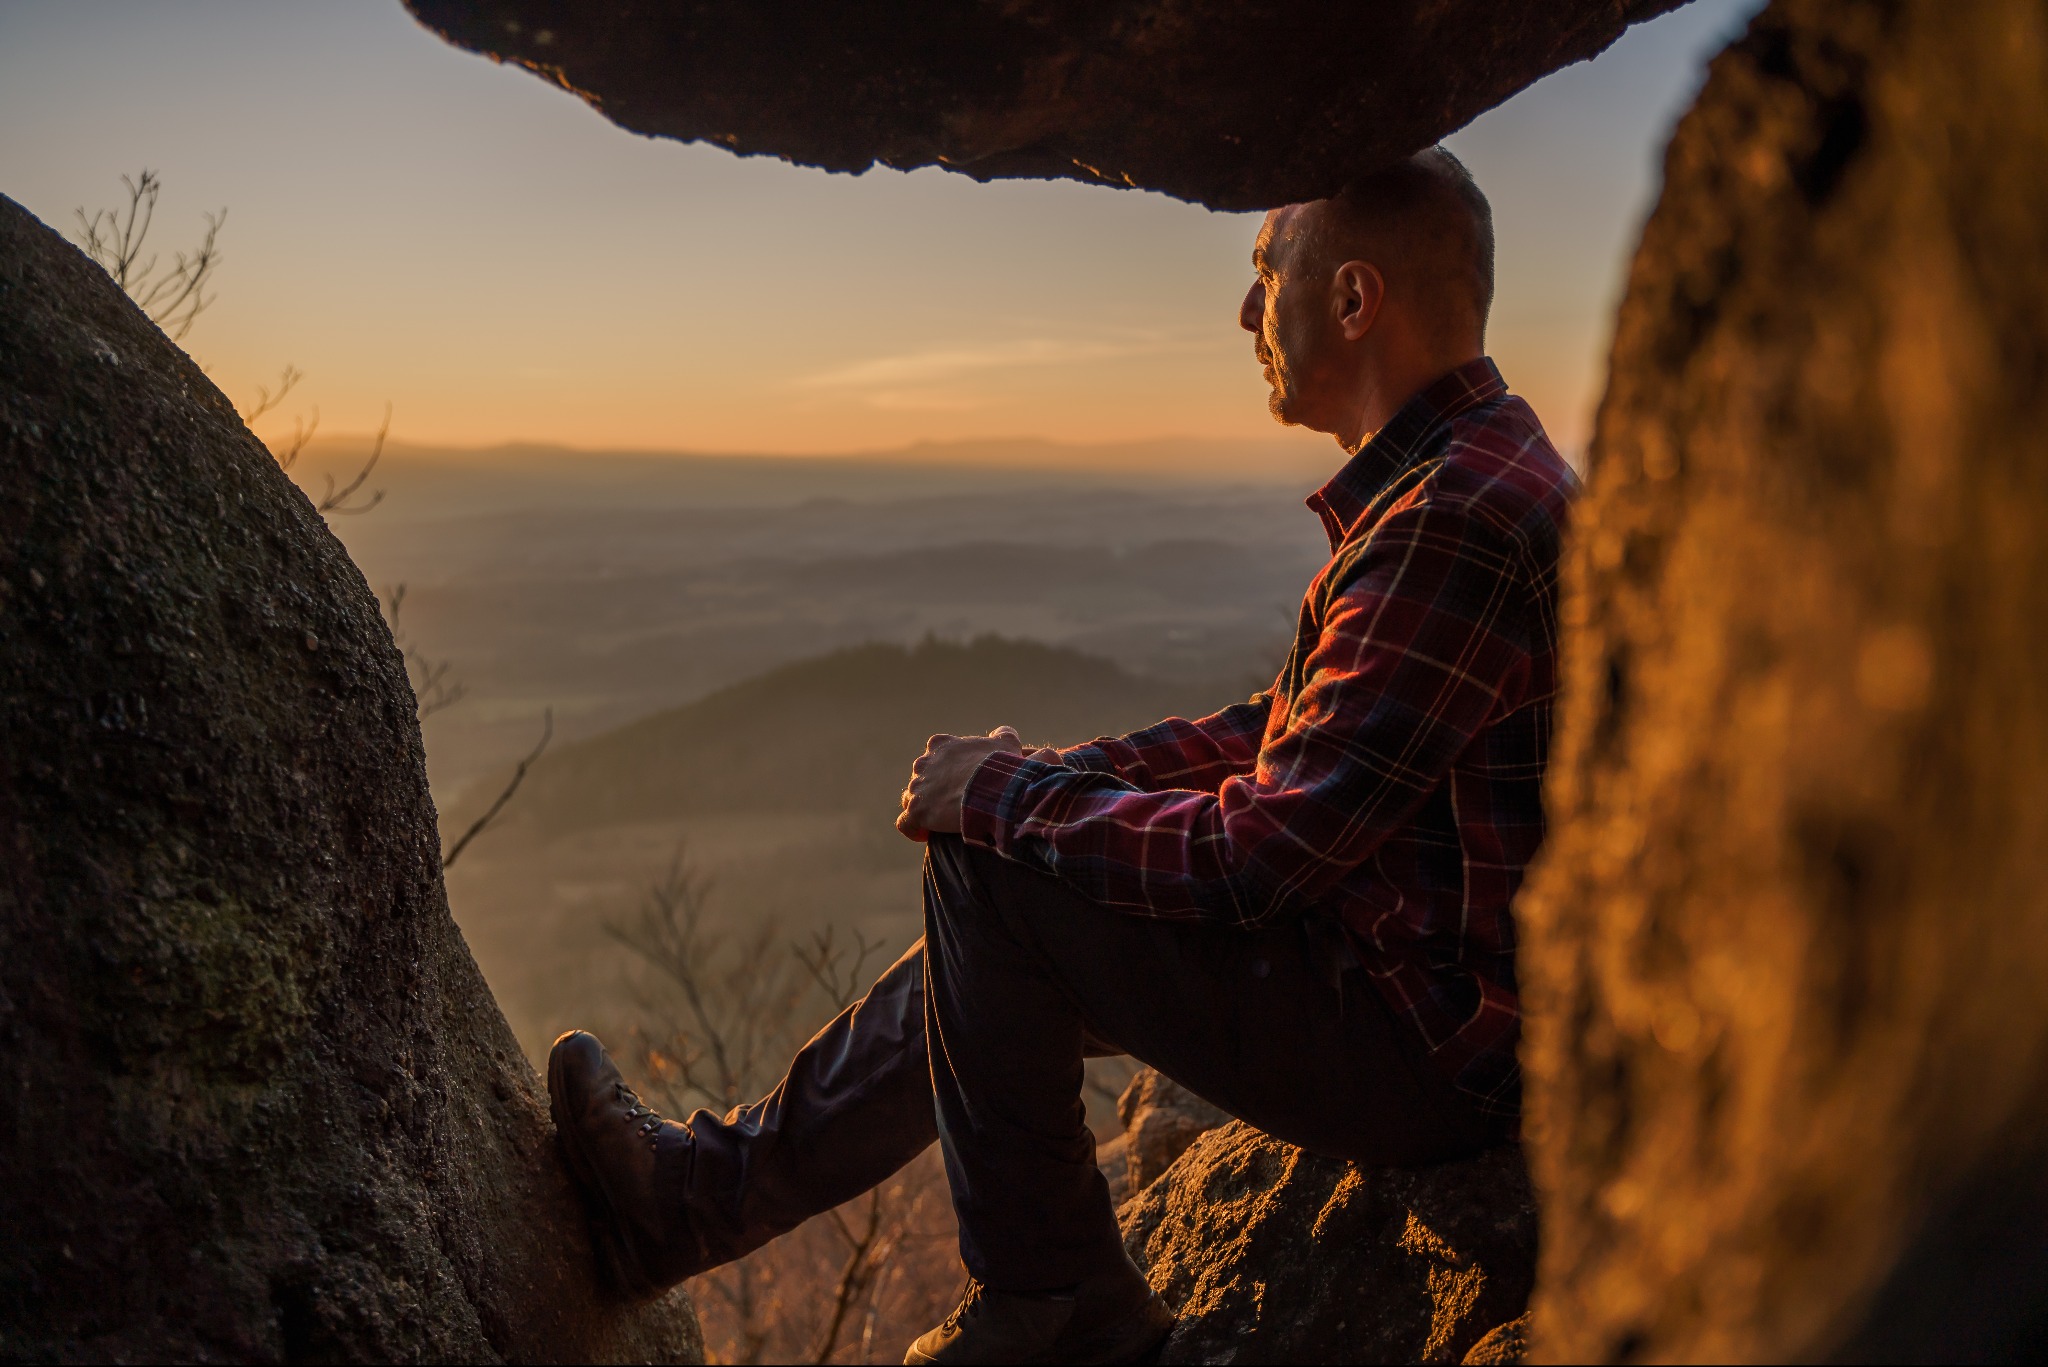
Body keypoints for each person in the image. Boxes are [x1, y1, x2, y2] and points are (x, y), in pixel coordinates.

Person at [547, 146, 1578, 1365]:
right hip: (1426, 991)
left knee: (996, 869)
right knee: (1002, 881)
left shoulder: (1447, 518)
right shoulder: (1463, 476)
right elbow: (1282, 729)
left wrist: (1009, 800)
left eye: (1267, 268)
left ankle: (1059, 1304)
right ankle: (690, 1202)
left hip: (1429, 1046)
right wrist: (1053, 771)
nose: (1247, 309)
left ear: (1352, 300)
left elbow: (1258, 862)